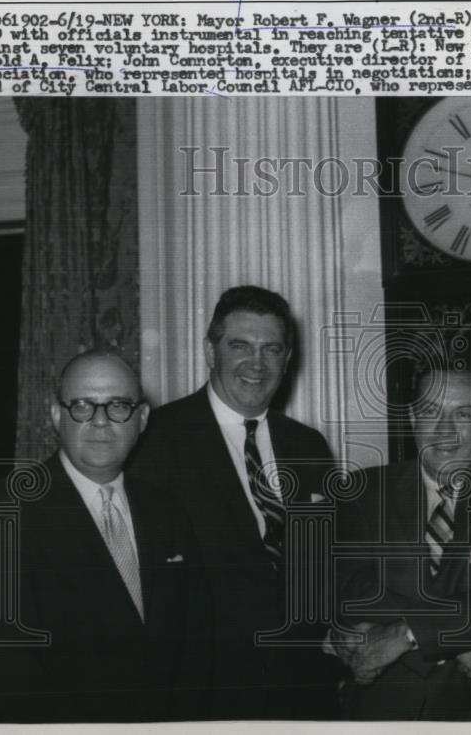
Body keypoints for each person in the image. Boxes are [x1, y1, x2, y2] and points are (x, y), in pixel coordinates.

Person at [0, 350, 211, 723]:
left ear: (141, 418)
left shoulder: (167, 511)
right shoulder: (1, 510)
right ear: (56, 415)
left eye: (118, 406)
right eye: (82, 406)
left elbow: (195, 645)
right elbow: (3, 667)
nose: (100, 421)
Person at [128, 285, 341, 719]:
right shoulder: (155, 440)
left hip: (303, 687)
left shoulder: (309, 446)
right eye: (240, 346)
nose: (256, 364)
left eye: (271, 349)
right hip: (202, 691)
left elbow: (327, 563)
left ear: (288, 358)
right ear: (211, 351)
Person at [330, 364, 471, 720]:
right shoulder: (362, 493)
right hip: (384, 705)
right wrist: (466, 646)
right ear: (411, 418)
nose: (444, 430)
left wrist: (408, 634)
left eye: (464, 414)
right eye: (431, 412)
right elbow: (350, 590)